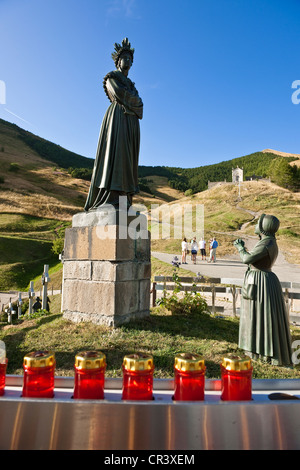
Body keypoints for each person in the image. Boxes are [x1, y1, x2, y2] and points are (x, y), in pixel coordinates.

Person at [84, 38, 143, 211]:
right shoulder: (112, 78)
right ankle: (110, 197)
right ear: (118, 61)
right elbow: (119, 94)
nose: (129, 61)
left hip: (131, 122)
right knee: (116, 155)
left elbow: (140, 103)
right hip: (117, 119)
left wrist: (132, 101)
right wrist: (132, 101)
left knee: (128, 160)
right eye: (126, 58)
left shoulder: (132, 84)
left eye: (131, 59)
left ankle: (124, 199)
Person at [234, 214, 292, 366]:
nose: (254, 226)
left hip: (260, 282)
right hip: (263, 280)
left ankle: (261, 351)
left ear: (262, 227)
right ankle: (257, 349)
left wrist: (240, 248)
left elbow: (247, 259)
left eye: (257, 223)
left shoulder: (266, 243)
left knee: (260, 316)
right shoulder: (269, 242)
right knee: (261, 316)